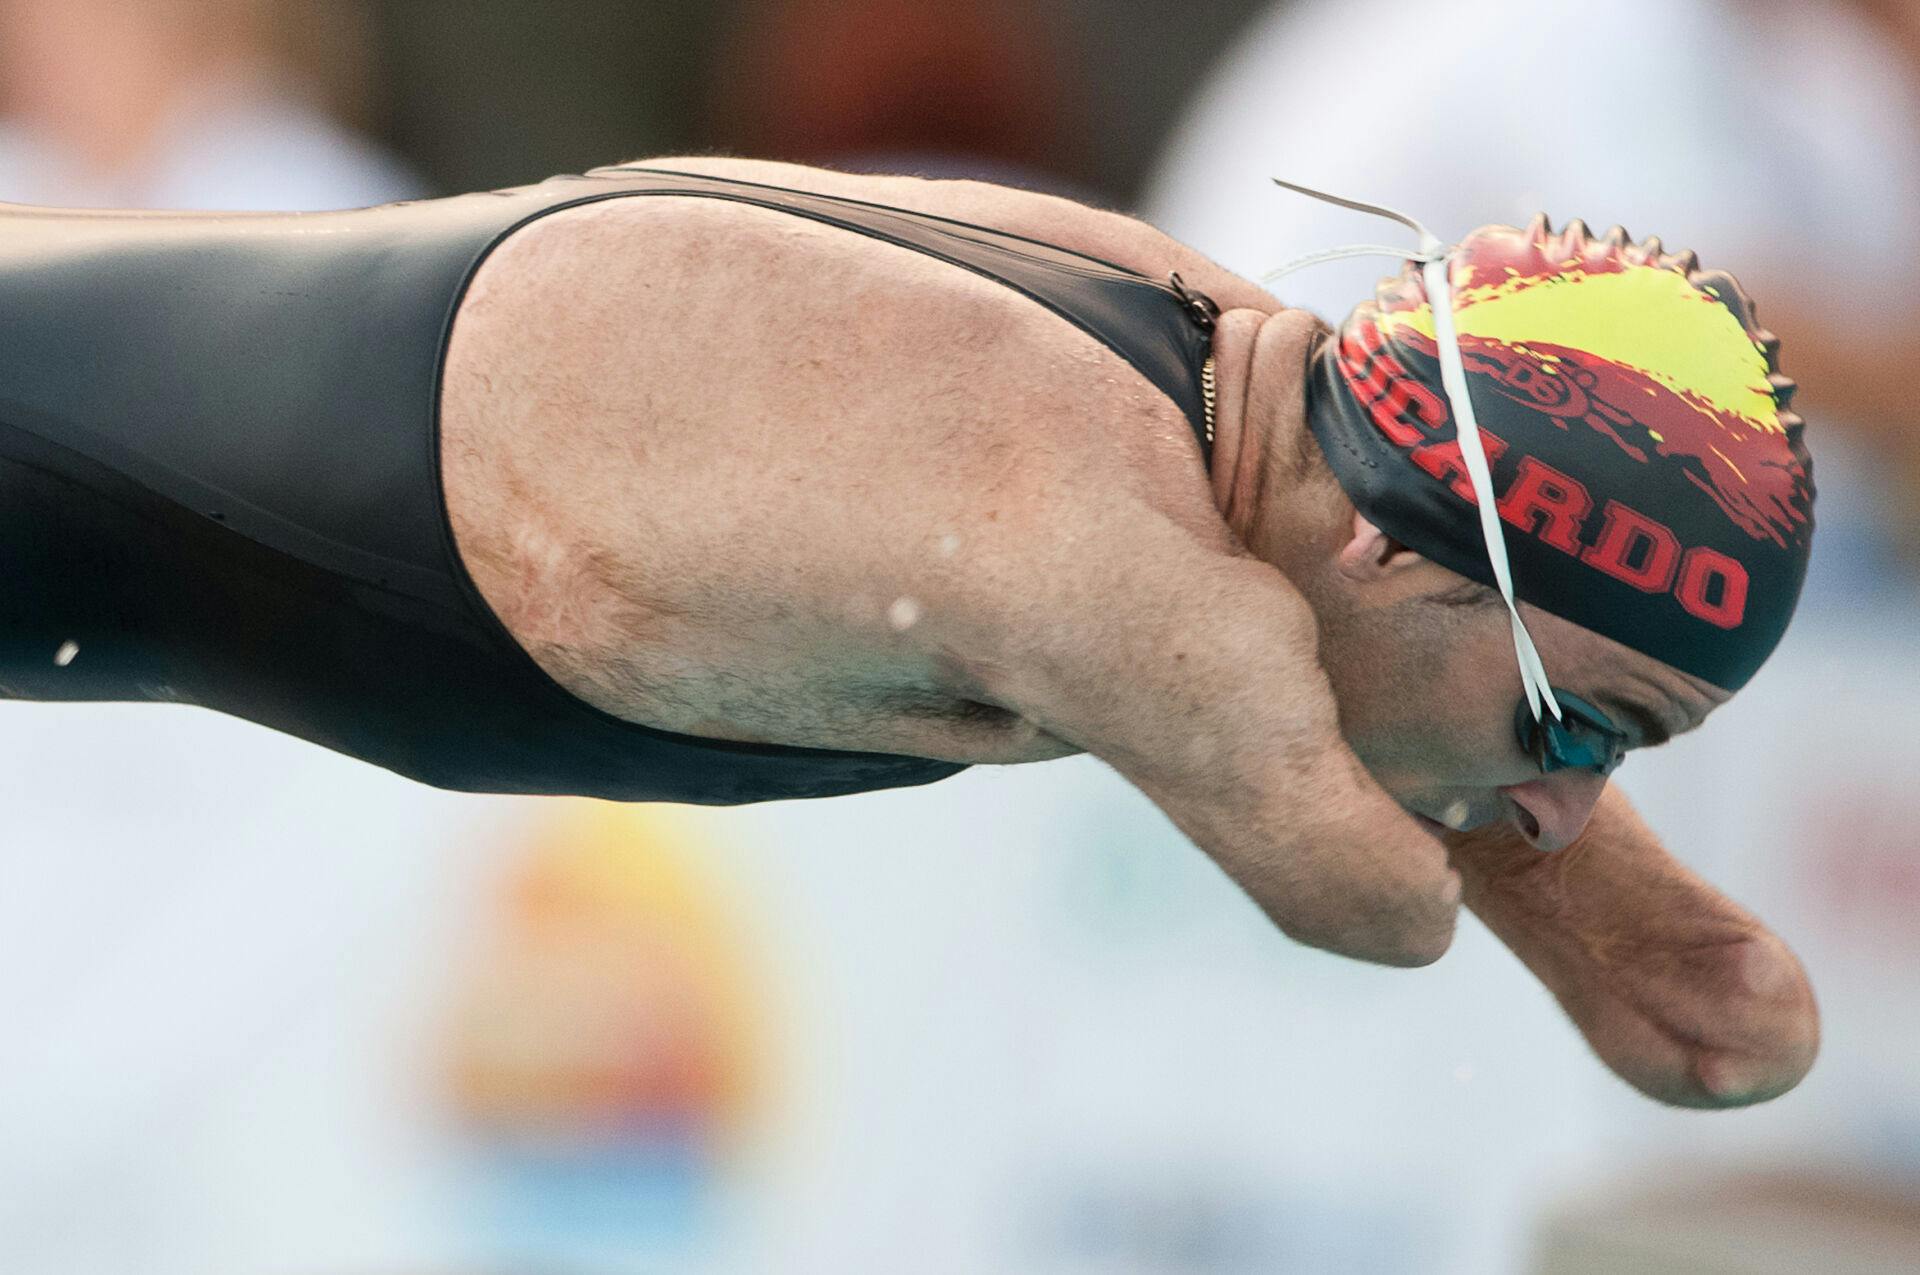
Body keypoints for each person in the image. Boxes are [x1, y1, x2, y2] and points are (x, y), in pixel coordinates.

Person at [0, 156, 1817, 1109]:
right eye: (1578, 729)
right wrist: (1613, 897)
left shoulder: (1231, 363)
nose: (1563, 804)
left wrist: (1586, 802)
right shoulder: (1118, 570)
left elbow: (1705, 1019)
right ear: (1386, 556)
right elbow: (1389, 900)